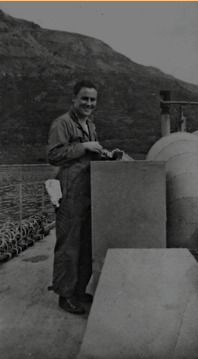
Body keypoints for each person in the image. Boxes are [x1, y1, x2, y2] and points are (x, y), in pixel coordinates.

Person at [47, 80, 112, 314]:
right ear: (74, 98)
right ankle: (65, 295)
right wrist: (85, 146)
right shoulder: (62, 124)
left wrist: (103, 154)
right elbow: (53, 155)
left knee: (86, 245)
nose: (89, 103)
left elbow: (87, 156)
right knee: (69, 246)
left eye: (93, 99)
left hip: (88, 193)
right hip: (70, 193)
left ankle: (78, 290)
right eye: (84, 98)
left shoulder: (90, 126)